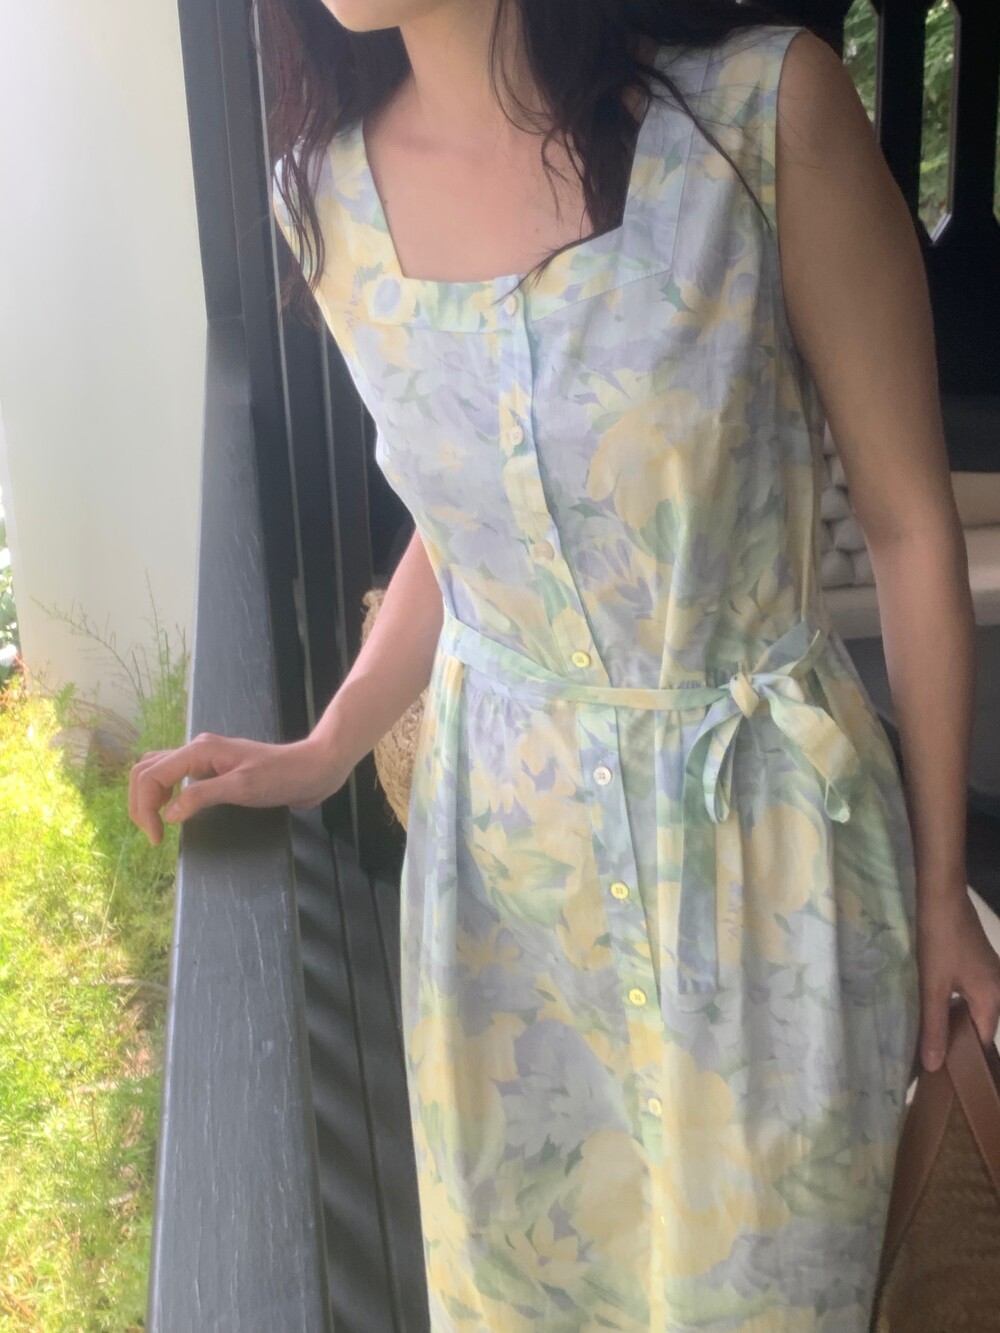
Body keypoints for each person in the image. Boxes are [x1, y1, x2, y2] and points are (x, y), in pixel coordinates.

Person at [129, 1, 1000, 1327]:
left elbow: (910, 527)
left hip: (763, 877)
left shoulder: (762, 120)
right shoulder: (329, 201)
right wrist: (330, 740)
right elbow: (471, 517)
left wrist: (944, 892)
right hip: (502, 906)